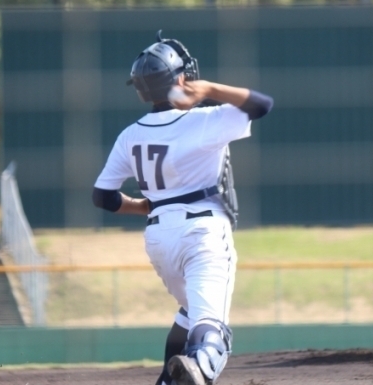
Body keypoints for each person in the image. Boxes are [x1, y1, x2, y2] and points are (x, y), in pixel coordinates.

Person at [92, 32, 273, 385]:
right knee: (212, 331)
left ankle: (167, 379)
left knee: (191, 312)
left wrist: (144, 206)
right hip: (203, 232)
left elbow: (103, 197)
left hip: (160, 238)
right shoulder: (204, 120)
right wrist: (209, 89)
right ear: (179, 80)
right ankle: (201, 366)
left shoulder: (130, 135)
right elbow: (262, 104)